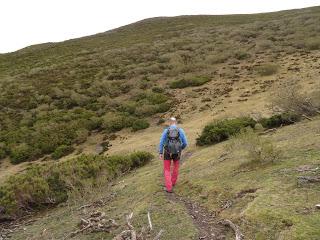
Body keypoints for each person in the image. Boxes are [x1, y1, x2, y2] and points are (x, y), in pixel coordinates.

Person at [159, 117, 188, 193]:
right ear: (176, 122)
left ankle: (169, 187)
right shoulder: (180, 130)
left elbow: (161, 142)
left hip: (167, 152)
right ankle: (173, 182)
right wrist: (181, 148)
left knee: (167, 169)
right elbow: (185, 143)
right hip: (177, 152)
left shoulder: (166, 130)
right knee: (176, 167)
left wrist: (160, 152)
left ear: (170, 123)